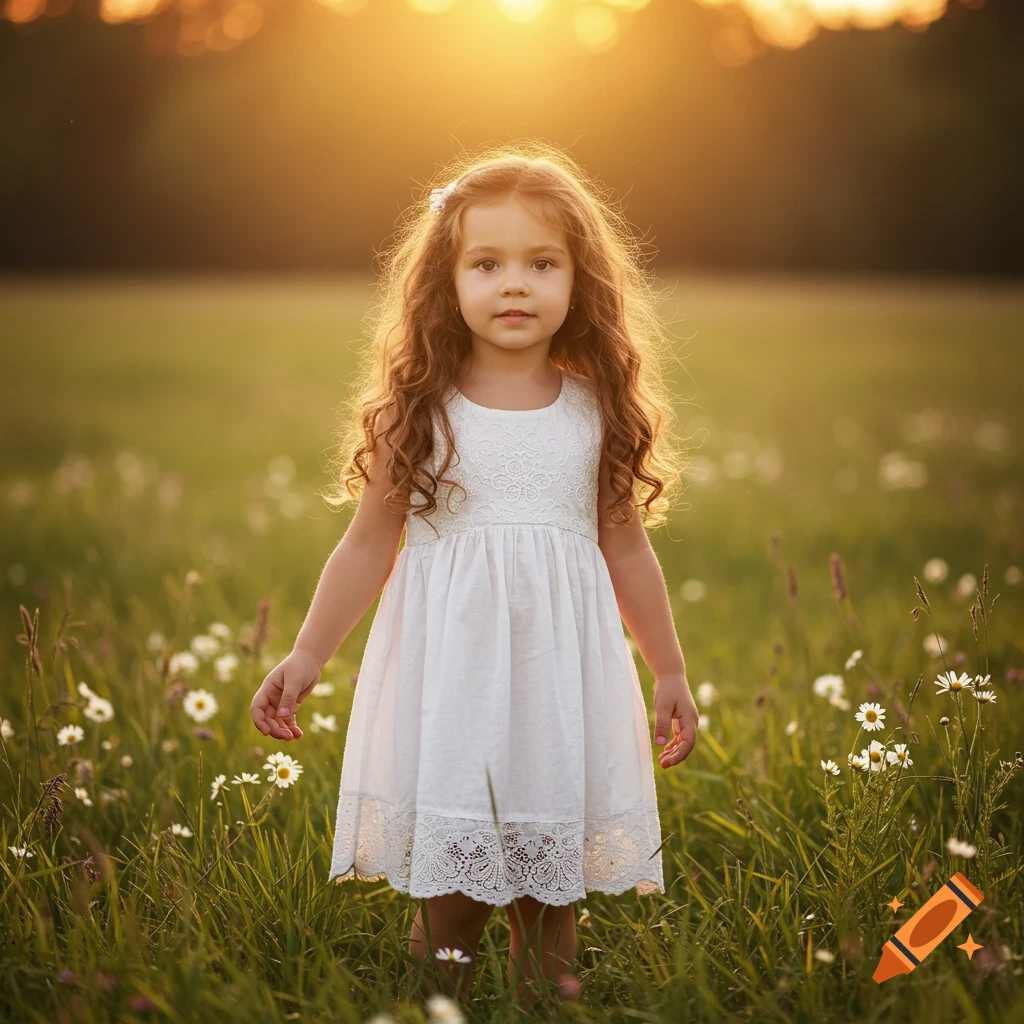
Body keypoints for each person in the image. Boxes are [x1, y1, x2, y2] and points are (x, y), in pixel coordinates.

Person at [250, 145, 699, 1009]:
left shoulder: (596, 411)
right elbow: (366, 545)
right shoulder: (417, 410)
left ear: (580, 280)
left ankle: (543, 1003)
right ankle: (435, 1004)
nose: (515, 284)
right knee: (449, 906)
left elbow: (629, 550)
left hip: (556, 692)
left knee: (549, 898)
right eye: (486, 264)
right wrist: (306, 656)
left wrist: (669, 669)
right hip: (453, 689)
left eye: (542, 263)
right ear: (446, 283)